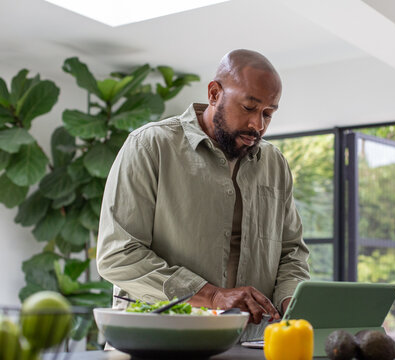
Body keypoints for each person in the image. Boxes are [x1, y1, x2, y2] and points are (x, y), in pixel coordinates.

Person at [96, 49, 310, 338]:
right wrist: (211, 297)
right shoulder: (150, 146)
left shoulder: (275, 164)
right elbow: (118, 255)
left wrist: (290, 299)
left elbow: (291, 251)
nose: (257, 125)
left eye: (268, 114)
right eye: (249, 108)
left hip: (251, 344)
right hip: (159, 341)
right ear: (214, 93)